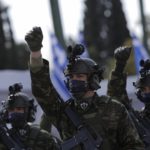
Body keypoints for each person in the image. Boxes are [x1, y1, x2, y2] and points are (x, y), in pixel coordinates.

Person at [25, 26, 144, 150]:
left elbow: (135, 146)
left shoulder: (114, 109)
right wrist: (35, 53)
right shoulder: (63, 113)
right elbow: (42, 91)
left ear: (93, 80)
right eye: (71, 77)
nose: (74, 80)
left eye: (79, 76)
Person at [107, 46, 150, 149]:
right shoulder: (139, 120)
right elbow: (116, 99)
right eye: (144, 89)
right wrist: (119, 67)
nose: (147, 92)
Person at [0, 83, 60, 150]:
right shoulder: (4, 137)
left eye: (19, 109)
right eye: (11, 110)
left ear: (28, 111)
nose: (15, 112)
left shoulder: (42, 136)